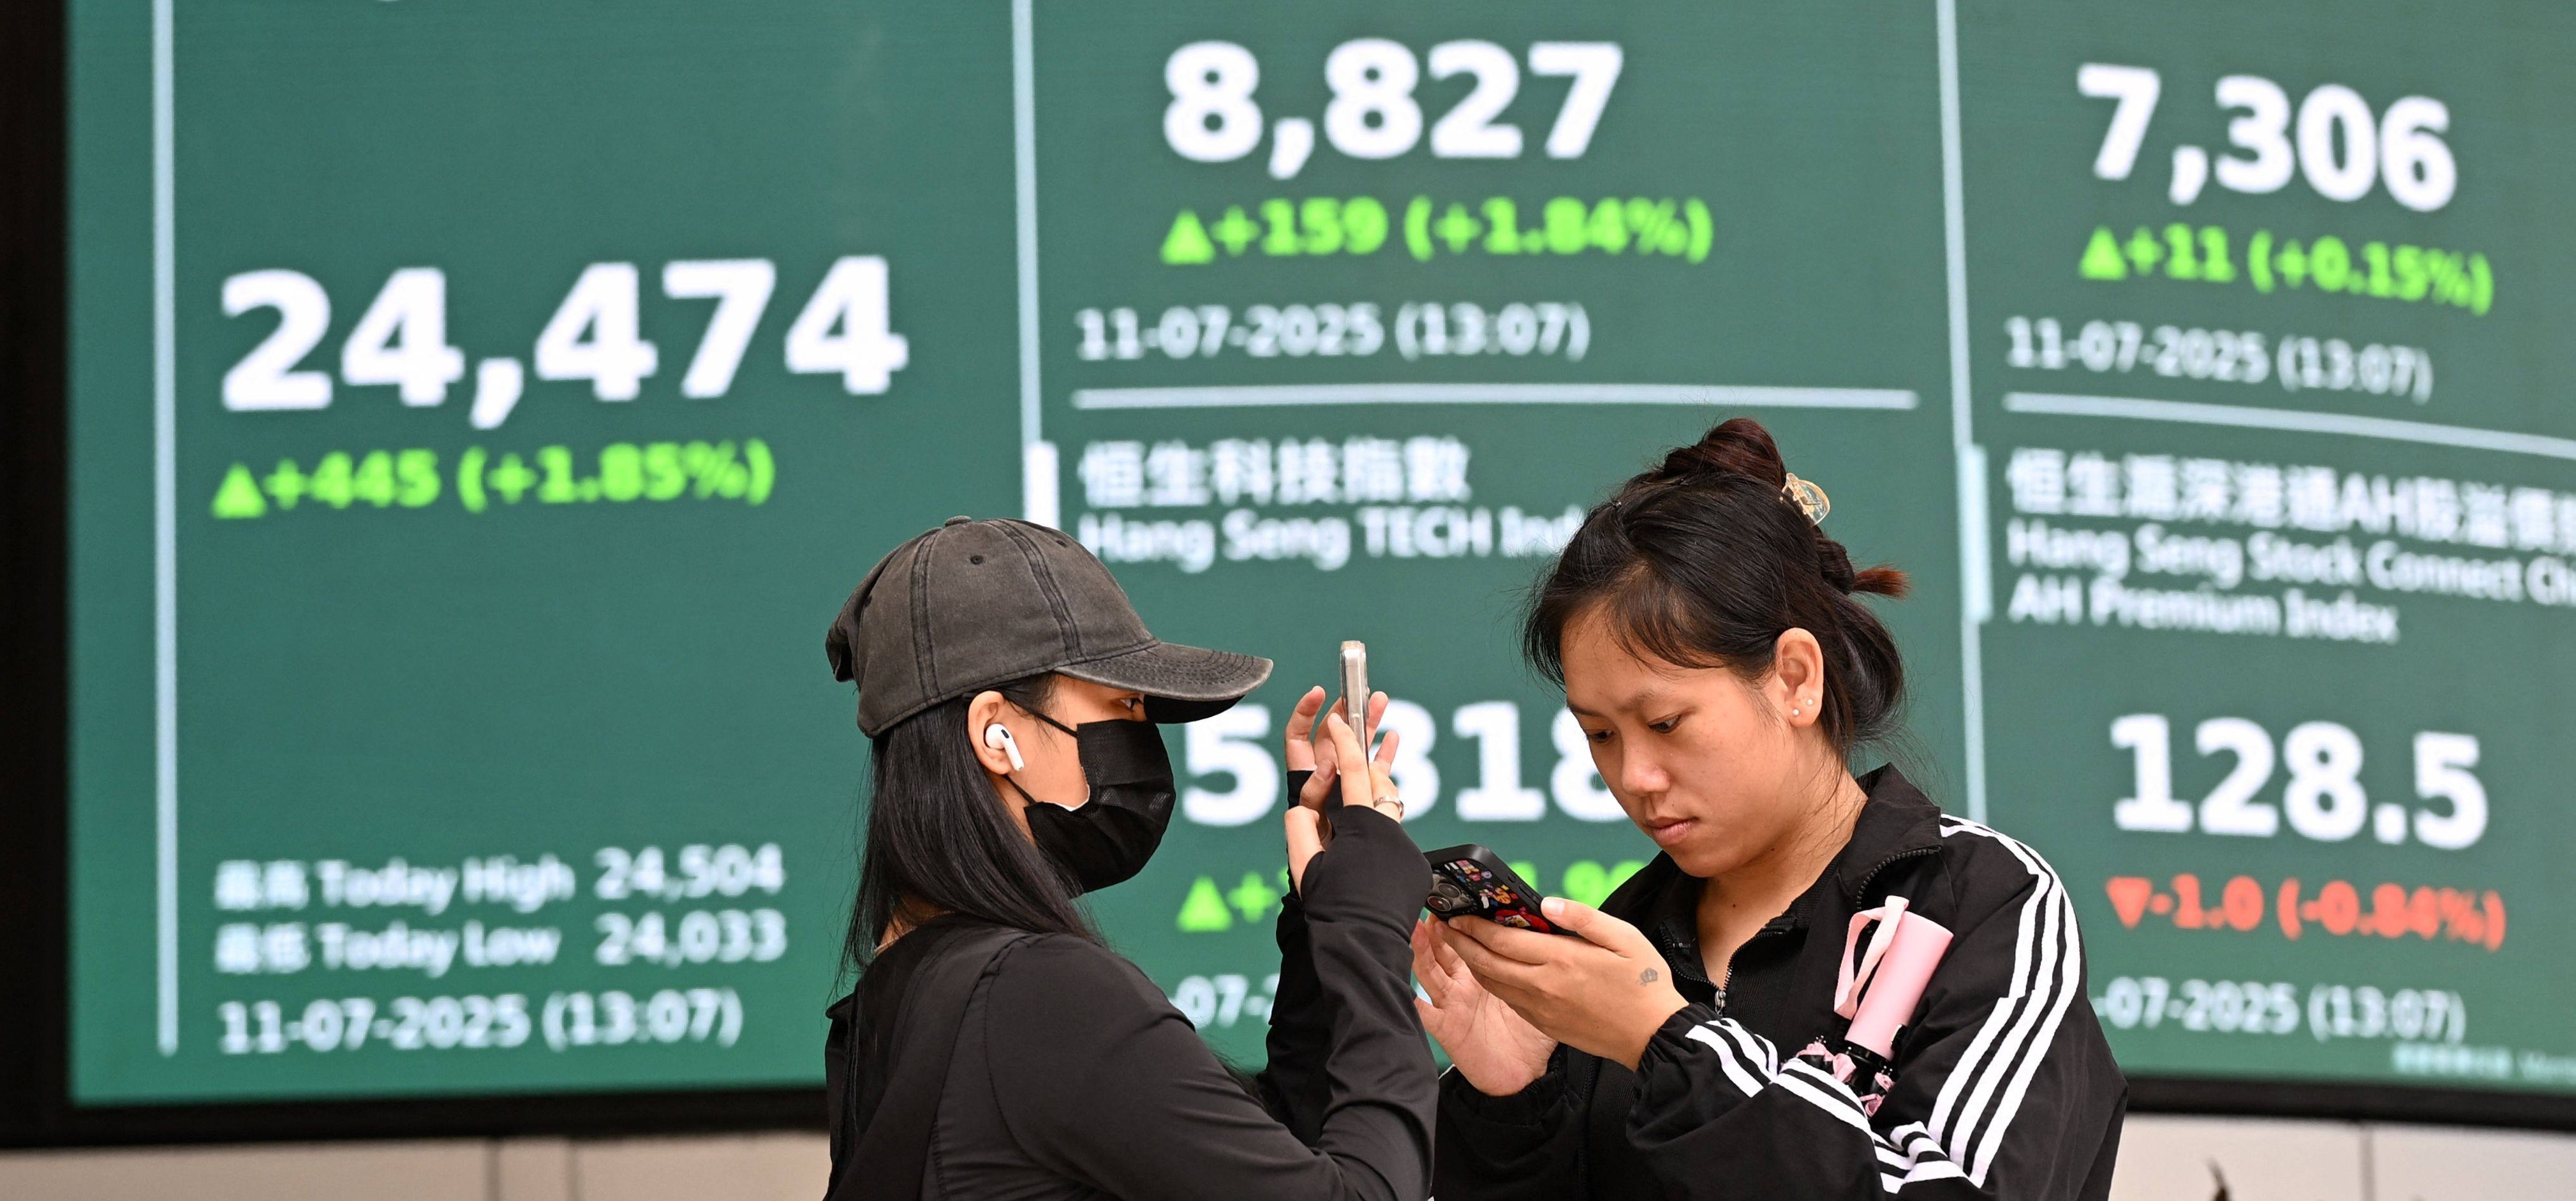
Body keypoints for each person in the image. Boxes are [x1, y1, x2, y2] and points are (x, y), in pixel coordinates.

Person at [1418, 420, 2126, 1201]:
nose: (1634, 776)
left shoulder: (1982, 901)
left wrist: (1668, 1043)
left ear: (1794, 677)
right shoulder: (1622, 945)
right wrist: (1509, 1102)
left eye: (1664, 724)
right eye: (1598, 734)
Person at [820, 513, 1437, 1201]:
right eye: (1124, 706)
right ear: (995, 733)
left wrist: (1319, 918)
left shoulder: (904, 991)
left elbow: (1269, 1153)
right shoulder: (1039, 994)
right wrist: (1369, 929)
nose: (1144, 743)